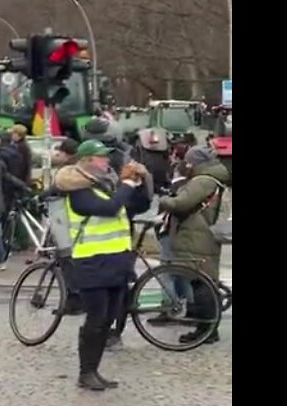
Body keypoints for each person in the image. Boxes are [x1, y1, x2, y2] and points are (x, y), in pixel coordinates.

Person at [52, 140, 151, 390]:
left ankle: (94, 370)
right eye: (101, 157)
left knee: (109, 318)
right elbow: (109, 208)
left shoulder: (106, 185)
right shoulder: (77, 190)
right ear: (87, 161)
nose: (107, 161)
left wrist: (140, 185)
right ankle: (86, 372)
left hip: (116, 261)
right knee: (96, 319)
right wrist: (126, 185)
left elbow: (135, 206)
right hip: (92, 262)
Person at [156, 145, 230, 345]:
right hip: (203, 236)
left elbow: (181, 203)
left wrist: (164, 200)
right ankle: (207, 328)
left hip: (196, 237)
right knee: (204, 282)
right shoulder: (212, 179)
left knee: (201, 283)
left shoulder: (202, 181)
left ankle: (206, 329)